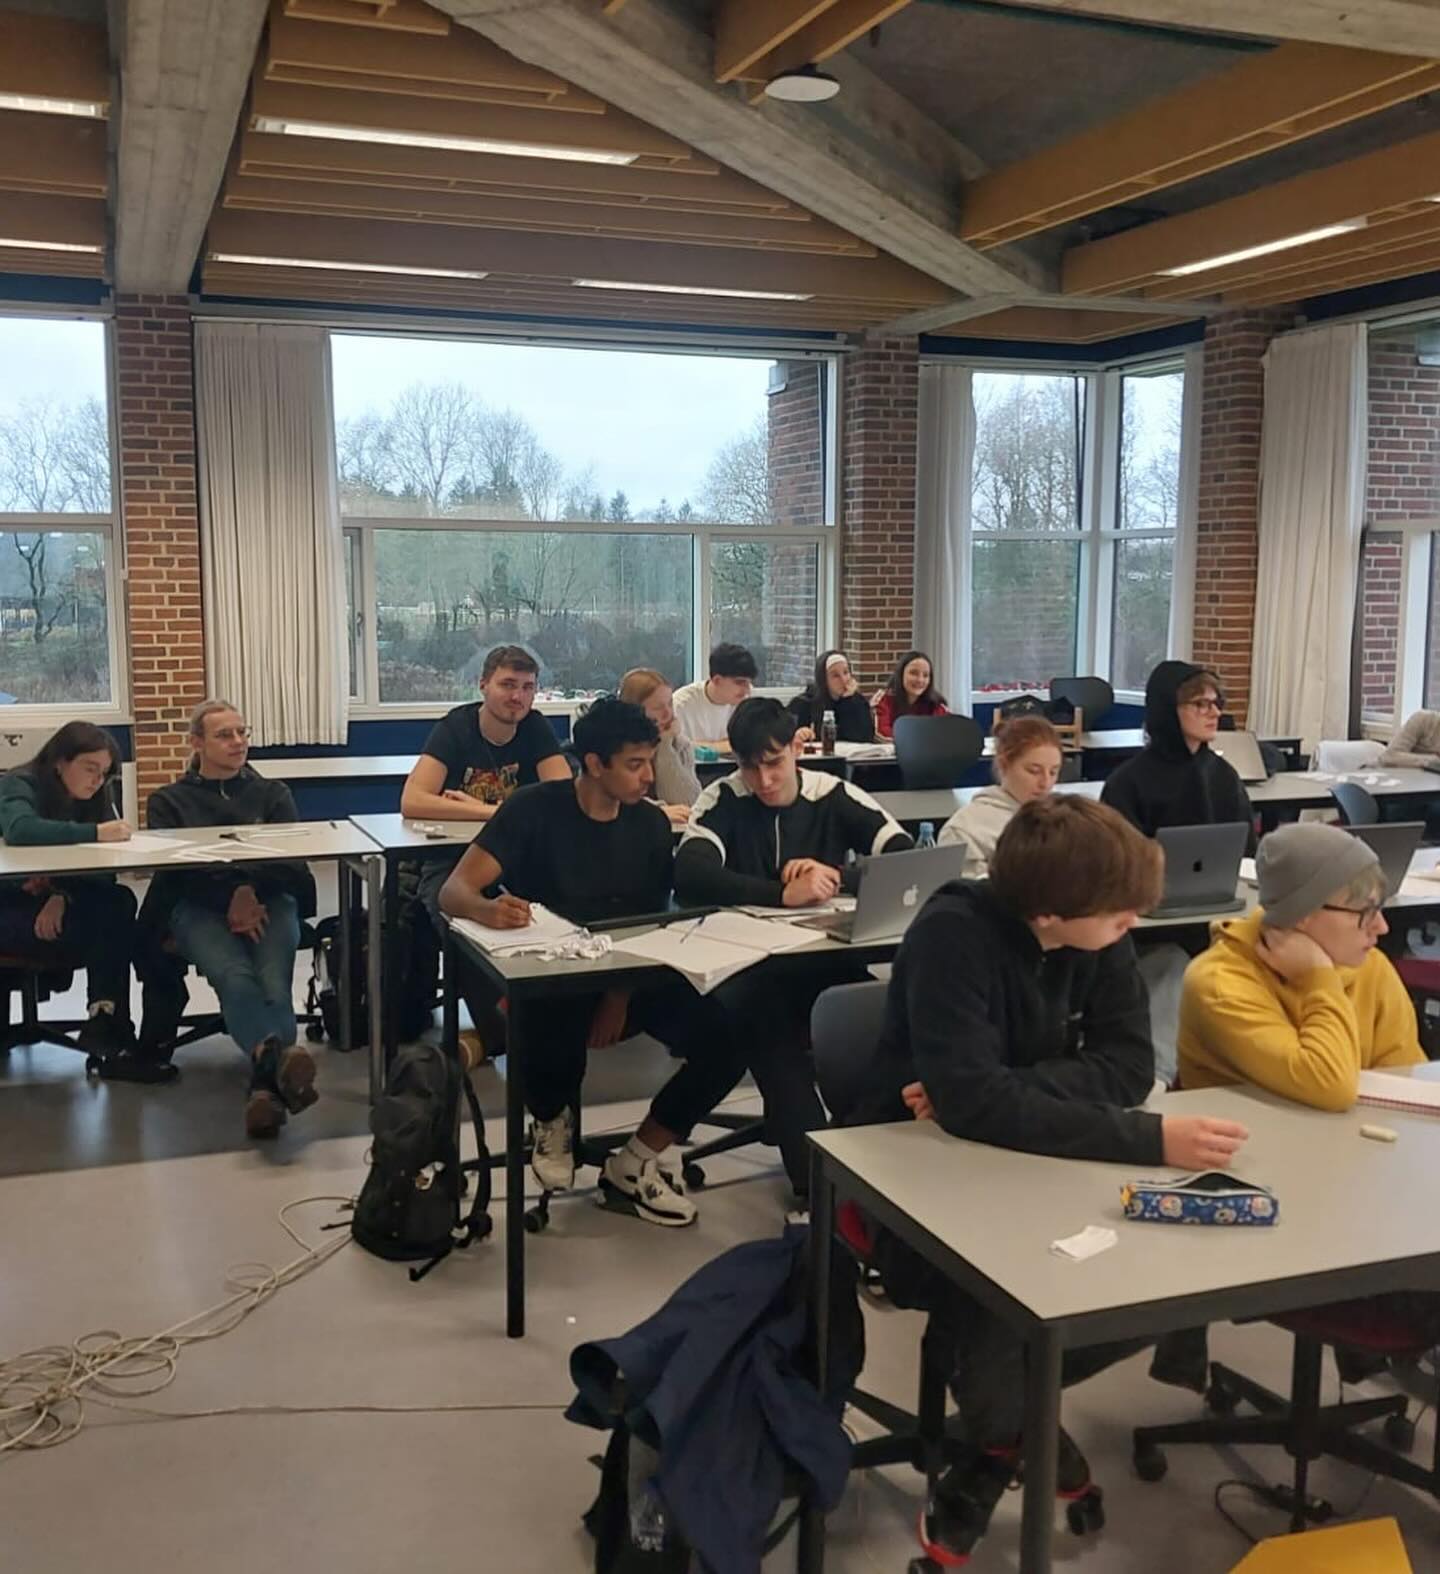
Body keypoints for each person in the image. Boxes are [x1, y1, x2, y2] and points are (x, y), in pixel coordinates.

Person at [845, 797, 1249, 1566]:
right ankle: (1007, 1440)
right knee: (998, 1298)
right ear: (1052, 914)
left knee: (1161, 1282)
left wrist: (999, 1089)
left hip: (1034, 1157)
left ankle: (997, 1440)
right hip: (910, 1172)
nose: (1133, 924)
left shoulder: (1100, 930)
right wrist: (1147, 1138)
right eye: (1120, 916)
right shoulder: (952, 934)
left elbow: (1127, 1066)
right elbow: (979, 1106)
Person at [439, 698, 748, 1227]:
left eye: (650, 762)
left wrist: (618, 996)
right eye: (635, 764)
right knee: (550, 1020)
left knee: (728, 1040)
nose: (648, 777)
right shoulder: (533, 809)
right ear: (594, 764)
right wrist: (488, 909)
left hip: (628, 976)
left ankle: (637, 1159)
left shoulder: (650, 825)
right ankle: (552, 1119)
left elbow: (651, 922)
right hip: (550, 977)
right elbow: (453, 892)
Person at [1157, 821, 1428, 1394]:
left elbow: (1407, 1081)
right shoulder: (1220, 982)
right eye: (1365, 914)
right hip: (1272, 1210)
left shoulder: (1371, 967)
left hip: (1353, 1185)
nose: (1382, 928)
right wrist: (1319, 980)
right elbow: (1330, 1084)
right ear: (1305, 916)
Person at [674, 697, 912, 1194]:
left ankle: (883, 1164)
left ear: (796, 750)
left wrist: (836, 876)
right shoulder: (723, 798)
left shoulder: (832, 793)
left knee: (884, 1016)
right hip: (746, 966)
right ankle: (818, 1190)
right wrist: (779, 894)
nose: (763, 780)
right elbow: (691, 874)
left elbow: (903, 857)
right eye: (750, 767)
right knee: (771, 1033)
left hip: (823, 960)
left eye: (774, 763)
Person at [140, 700, 318, 1138]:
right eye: (224, 735)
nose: (238, 742)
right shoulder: (168, 801)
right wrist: (229, 896)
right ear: (196, 743)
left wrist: (247, 891)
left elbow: (290, 861)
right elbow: (178, 872)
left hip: (270, 900)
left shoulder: (273, 794)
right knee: (235, 975)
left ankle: (265, 1083)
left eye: (243, 732)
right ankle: (275, 1070)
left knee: (274, 979)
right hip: (197, 906)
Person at [401, 645, 572, 1056]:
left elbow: (562, 796)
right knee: (463, 928)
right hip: (452, 859)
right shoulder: (455, 728)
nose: (517, 696)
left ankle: (555, 1015)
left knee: (559, 909)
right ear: (483, 685)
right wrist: (497, 812)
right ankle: (504, 1035)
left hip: (516, 857)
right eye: (507, 685)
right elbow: (412, 800)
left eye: (527, 687)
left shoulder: (535, 728)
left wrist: (484, 809)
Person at [0, 722, 147, 1071]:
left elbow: (106, 871)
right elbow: (20, 830)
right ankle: (109, 1026)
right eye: (90, 768)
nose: (97, 780)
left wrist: (61, 894)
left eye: (104, 773)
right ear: (59, 762)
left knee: (119, 901)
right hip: (11, 901)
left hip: (62, 904)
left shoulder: (98, 796)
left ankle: (104, 1016)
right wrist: (95, 833)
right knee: (112, 926)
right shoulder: (20, 784)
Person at [1100, 660, 1255, 851]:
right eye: (1201, 704)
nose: (1215, 713)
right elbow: (1120, 857)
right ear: (1169, 709)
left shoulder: (1224, 774)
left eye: (1216, 703)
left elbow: (1247, 848)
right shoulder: (1127, 784)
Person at [938, 715, 1062, 877]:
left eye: (1053, 772)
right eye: (1034, 771)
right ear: (1004, 765)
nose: (1045, 783)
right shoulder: (965, 829)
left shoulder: (1064, 821)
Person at [618, 667, 700, 823]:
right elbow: (618, 799)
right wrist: (656, 811)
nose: (668, 714)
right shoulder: (617, 748)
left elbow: (688, 802)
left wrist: (664, 744)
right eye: (658, 708)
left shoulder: (679, 744)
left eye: (670, 704)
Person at [669, 643, 758, 749]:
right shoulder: (680, 705)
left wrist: (703, 745)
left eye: (749, 683)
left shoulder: (747, 700)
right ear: (717, 680)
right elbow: (676, 747)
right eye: (740, 683)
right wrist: (724, 746)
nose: (747, 690)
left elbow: (753, 743)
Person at [787, 649, 875, 744]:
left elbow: (866, 738)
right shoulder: (803, 704)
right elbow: (785, 739)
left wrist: (848, 702)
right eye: (835, 676)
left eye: (846, 672)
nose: (844, 680)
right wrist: (798, 735)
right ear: (824, 680)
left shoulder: (858, 702)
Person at [874, 649, 948, 739]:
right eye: (914, 673)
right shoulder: (884, 699)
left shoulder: (936, 704)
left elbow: (946, 732)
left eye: (925, 675)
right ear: (900, 674)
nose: (920, 680)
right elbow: (882, 732)